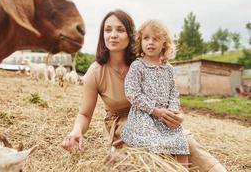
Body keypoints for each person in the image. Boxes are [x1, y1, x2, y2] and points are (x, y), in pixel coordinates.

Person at [61, 9, 227, 172]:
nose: (113, 35)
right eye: (108, 30)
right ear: (102, 35)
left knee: (185, 141)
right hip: (124, 122)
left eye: (120, 30)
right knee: (150, 148)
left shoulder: (145, 62)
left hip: (156, 116)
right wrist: (76, 131)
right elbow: (84, 114)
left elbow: (168, 91)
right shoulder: (95, 71)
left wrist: (176, 114)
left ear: (131, 36)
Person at [120, 20, 189, 167]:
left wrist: (172, 111)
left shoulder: (168, 69)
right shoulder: (138, 66)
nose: (150, 42)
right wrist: (155, 110)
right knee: (152, 143)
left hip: (166, 117)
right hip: (145, 116)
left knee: (182, 142)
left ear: (164, 43)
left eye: (156, 38)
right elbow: (132, 92)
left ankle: (183, 169)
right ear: (140, 42)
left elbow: (174, 93)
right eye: (146, 38)